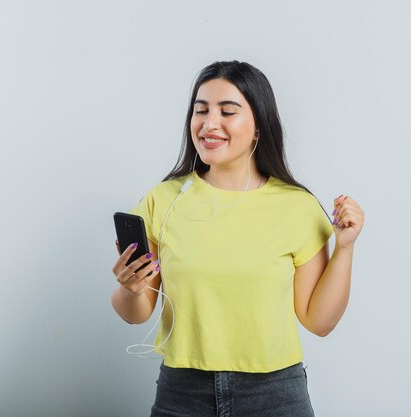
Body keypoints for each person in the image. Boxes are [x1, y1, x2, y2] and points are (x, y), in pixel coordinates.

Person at [110, 60, 364, 417]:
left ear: (259, 126)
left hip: (275, 395)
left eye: (227, 111)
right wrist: (129, 288)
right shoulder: (163, 201)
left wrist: (346, 247)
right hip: (183, 393)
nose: (210, 123)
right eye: (201, 111)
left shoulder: (297, 206)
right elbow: (136, 315)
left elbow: (319, 321)